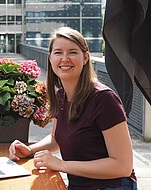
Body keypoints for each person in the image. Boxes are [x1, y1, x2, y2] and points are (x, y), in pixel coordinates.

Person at [9, 27, 138, 190]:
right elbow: (57, 138)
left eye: (72, 52)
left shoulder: (104, 99)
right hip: (79, 185)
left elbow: (122, 166)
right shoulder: (61, 96)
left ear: (86, 58)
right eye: (58, 52)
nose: (65, 58)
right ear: (50, 58)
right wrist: (29, 150)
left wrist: (61, 165)